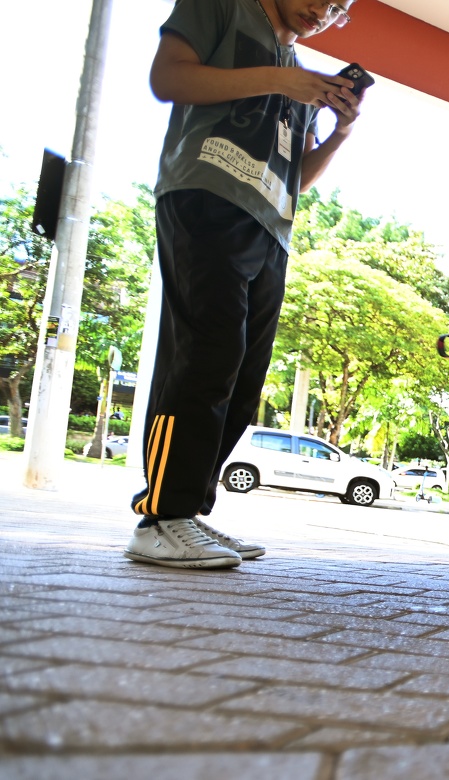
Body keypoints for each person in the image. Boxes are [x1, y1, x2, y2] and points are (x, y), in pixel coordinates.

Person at [124, 0, 364, 569]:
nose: (323, 11)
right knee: (208, 350)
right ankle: (161, 514)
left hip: (270, 225)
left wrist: (340, 132)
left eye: (338, 7)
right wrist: (287, 81)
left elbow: (297, 174)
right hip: (205, 194)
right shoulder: (224, 8)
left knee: (244, 374)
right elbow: (168, 78)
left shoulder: (299, 70)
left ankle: (187, 514)